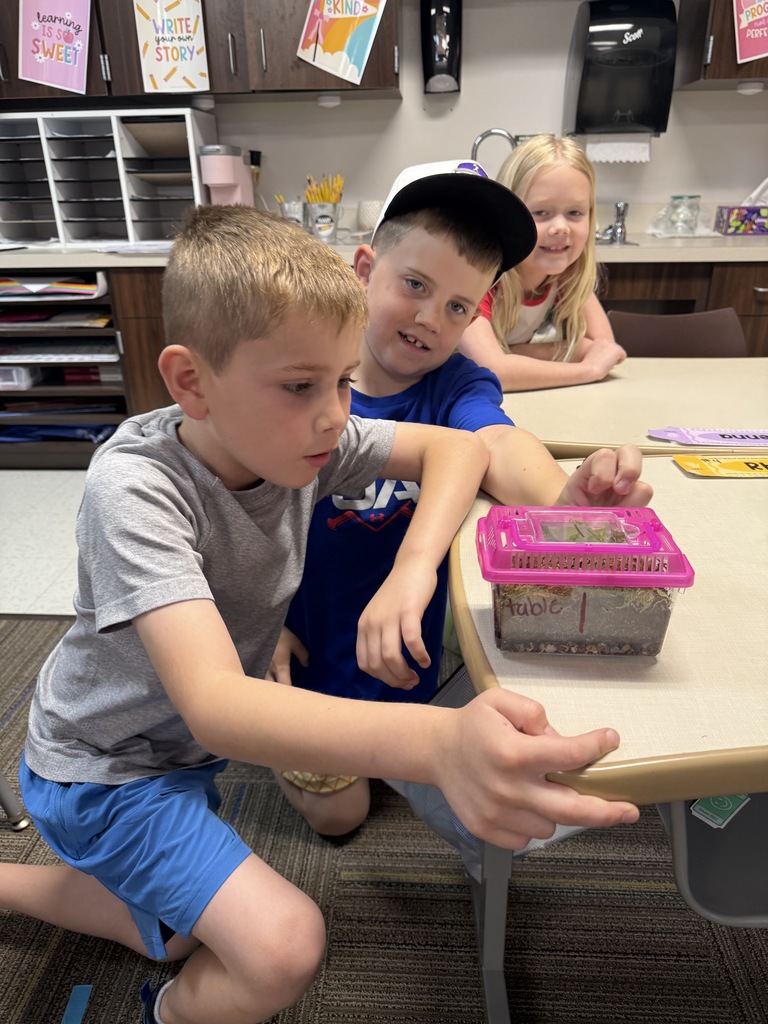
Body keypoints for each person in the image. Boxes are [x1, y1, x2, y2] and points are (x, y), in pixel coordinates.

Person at [0, 205, 640, 1024]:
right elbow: (218, 705)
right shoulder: (135, 488)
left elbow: (461, 446)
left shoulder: (303, 437)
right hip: (102, 769)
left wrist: (412, 568)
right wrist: (439, 743)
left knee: (178, 931)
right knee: (283, 946)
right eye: (303, 385)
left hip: (177, 754)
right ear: (191, 382)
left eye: (343, 380)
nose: (337, 414)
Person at [273, 160, 652, 843]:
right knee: (338, 815)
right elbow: (225, 510)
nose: (429, 318)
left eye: (457, 307)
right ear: (364, 270)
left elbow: (498, 443)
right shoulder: (299, 377)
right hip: (306, 647)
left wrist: (570, 498)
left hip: (407, 655)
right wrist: (255, 625)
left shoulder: (458, 384)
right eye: (414, 285)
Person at [458, 135, 627, 391]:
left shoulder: (565, 275)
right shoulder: (479, 278)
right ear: (507, 215)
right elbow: (491, 372)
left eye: (574, 213)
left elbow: (605, 349)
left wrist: (515, 354)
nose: (560, 227)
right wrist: (587, 369)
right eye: (541, 213)